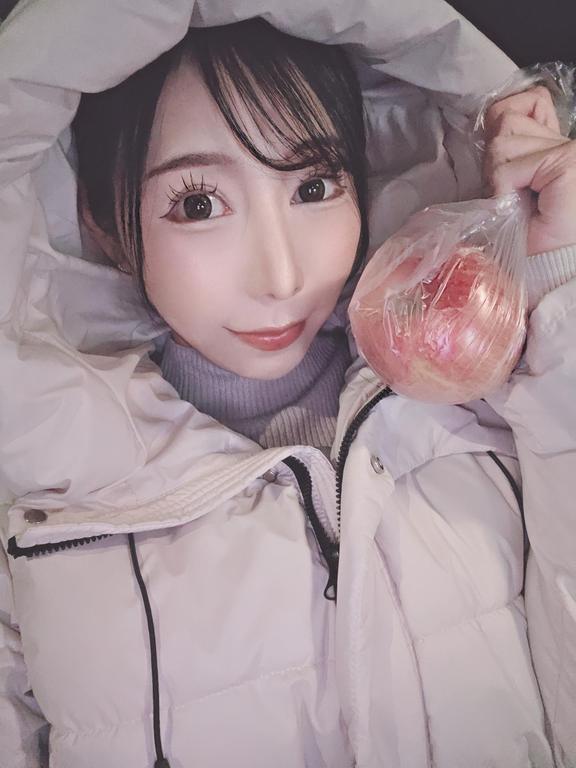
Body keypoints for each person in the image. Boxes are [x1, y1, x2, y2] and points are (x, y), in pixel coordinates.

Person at [1, 2, 575, 767]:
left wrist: (552, 280)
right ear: (104, 221)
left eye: (314, 186)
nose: (280, 276)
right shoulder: (44, 487)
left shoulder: (494, 391)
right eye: (198, 204)